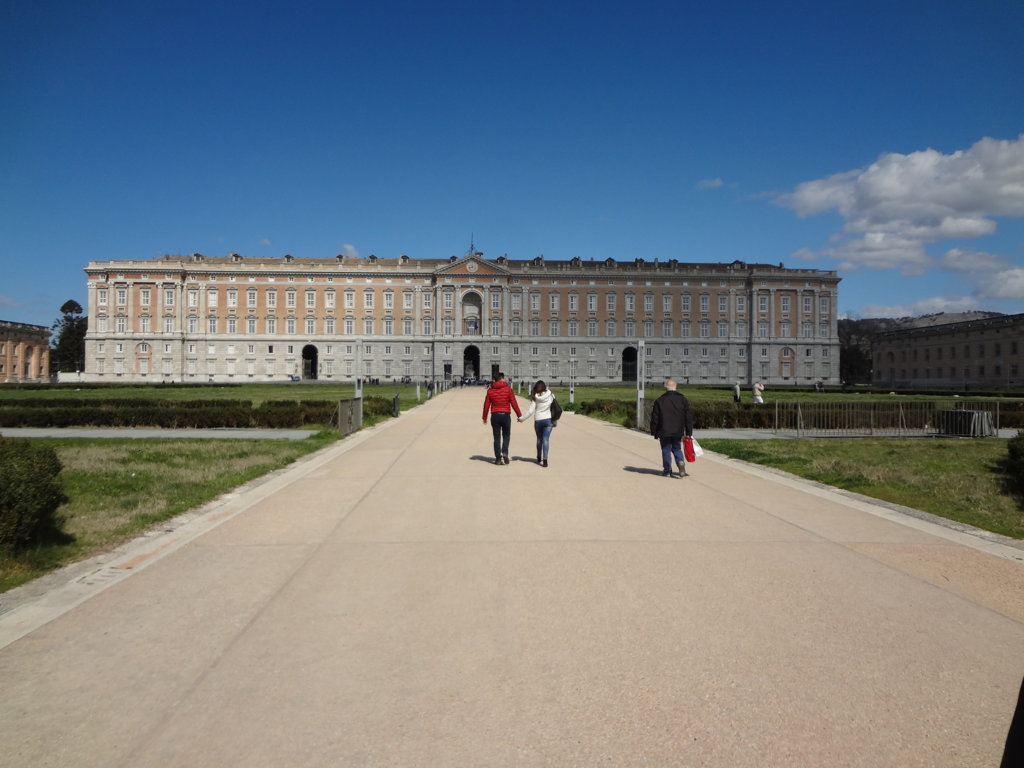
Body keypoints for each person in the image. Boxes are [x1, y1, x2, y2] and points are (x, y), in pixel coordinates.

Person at [649, 378, 694, 478]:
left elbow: (655, 417)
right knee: (677, 448)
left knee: (666, 449)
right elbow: (688, 417)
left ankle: (667, 470)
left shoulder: (659, 400)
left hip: (664, 430)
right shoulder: (683, 399)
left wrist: (654, 431)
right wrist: (689, 432)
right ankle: (680, 462)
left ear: (665, 388)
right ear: (675, 387)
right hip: (678, 430)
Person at [482, 371, 521, 465]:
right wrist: (519, 415)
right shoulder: (508, 389)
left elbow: (486, 405)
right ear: (502, 378)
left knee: (496, 438)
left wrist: (484, 417)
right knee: (506, 436)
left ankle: (498, 458)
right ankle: (505, 452)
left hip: (495, 416)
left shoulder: (490, 391)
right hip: (506, 415)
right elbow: (514, 403)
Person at [518, 379, 555, 467]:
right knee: (546, 439)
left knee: (539, 439)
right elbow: (554, 409)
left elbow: (530, 411)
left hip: (538, 420)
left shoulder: (535, 397)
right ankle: (545, 460)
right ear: (544, 387)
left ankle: (539, 456)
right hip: (548, 420)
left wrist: (521, 419)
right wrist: (555, 421)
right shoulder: (551, 395)